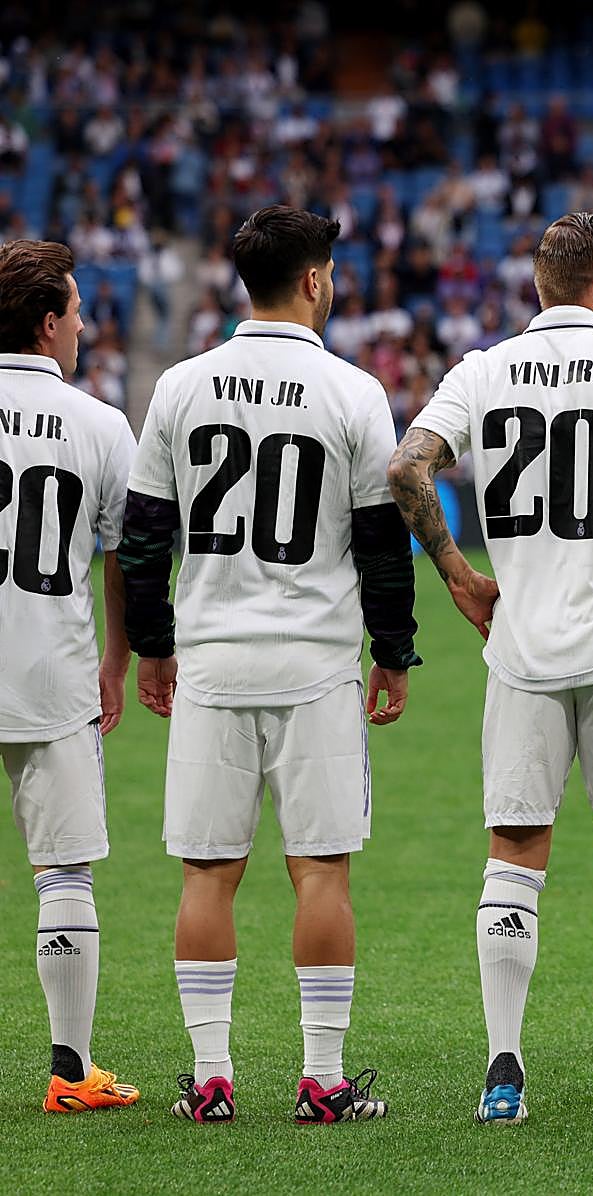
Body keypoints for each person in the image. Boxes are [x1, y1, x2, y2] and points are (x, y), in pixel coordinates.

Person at [387, 211, 593, 1125]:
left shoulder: (481, 369)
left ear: (541, 285)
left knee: (515, 852)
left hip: (523, 641)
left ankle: (504, 1075)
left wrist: (457, 574)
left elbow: (407, 470)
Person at [119, 205, 420, 1125]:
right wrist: (394, 652)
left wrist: (154, 648)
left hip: (212, 660)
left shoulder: (179, 386)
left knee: (208, 873)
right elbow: (380, 541)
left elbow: (142, 540)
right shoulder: (352, 392)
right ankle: (321, 1081)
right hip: (315, 662)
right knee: (319, 869)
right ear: (317, 279)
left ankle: (211, 1081)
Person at [0, 239, 140, 1113]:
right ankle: (69, 1070)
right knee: (65, 874)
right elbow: (127, 556)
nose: (85, 326)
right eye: (79, 311)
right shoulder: (98, 424)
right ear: (50, 325)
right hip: (52, 672)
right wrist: (118, 664)